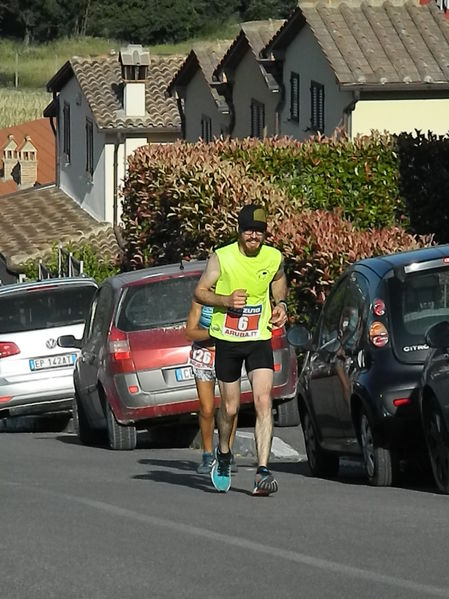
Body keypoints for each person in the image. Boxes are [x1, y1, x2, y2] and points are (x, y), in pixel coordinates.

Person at [194, 204, 288, 495]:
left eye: (259, 232)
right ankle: (223, 454)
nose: (254, 237)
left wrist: (281, 305)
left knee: (263, 402)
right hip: (228, 341)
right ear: (239, 230)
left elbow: (279, 280)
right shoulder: (222, 258)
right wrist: (225, 300)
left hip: (259, 338)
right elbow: (199, 292)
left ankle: (262, 471)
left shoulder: (273, 257)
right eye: (249, 230)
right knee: (231, 407)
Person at [185, 300, 237, 474]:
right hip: (205, 356)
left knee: (230, 407)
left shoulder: (233, 297)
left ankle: (227, 453)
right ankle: (207, 454)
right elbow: (190, 332)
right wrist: (211, 333)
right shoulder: (200, 299)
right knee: (207, 409)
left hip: (229, 353)